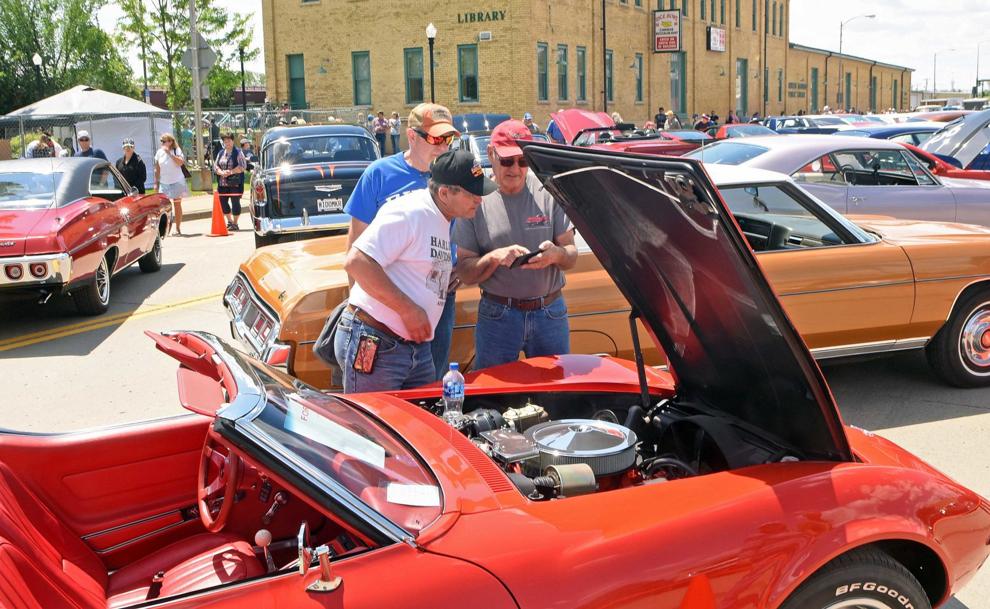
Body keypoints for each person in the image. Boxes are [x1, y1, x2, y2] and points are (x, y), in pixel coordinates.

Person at [335, 149, 494, 393]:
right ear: (444, 192)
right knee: (375, 427)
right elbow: (356, 262)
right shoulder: (410, 212)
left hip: (412, 348)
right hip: (378, 343)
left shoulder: (441, 216)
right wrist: (409, 310)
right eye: (472, 193)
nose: (479, 200)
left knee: (418, 423)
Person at [343, 102, 460, 380]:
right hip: (379, 317)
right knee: (373, 397)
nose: (443, 147)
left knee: (431, 387)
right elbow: (355, 248)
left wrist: (459, 267)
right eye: (435, 139)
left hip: (437, 305)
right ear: (411, 136)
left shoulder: (453, 179)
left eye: (449, 139)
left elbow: (464, 228)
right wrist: (358, 313)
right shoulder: (379, 174)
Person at [454, 120, 578, 369]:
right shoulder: (473, 199)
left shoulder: (549, 190)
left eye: (522, 161)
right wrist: (495, 257)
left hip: (550, 312)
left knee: (556, 395)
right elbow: (465, 272)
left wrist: (555, 255)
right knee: (492, 398)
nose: (516, 169)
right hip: (498, 315)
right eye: (507, 161)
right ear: (491, 154)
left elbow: (572, 254)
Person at [154, 133, 188, 236]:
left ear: (171, 142)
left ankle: (177, 228)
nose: (163, 143)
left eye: (165, 141)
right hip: (164, 183)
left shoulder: (176, 150)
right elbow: (157, 169)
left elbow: (180, 163)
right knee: (163, 207)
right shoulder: (159, 152)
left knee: (177, 205)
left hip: (177, 181)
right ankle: (164, 229)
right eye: (162, 141)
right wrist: (156, 183)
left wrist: (169, 153)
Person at [213, 133, 247, 231]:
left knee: (235, 203)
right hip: (222, 183)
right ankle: (230, 221)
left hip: (235, 183)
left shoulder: (238, 152)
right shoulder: (220, 153)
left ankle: (235, 223)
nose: (227, 143)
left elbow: (243, 166)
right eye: (225, 141)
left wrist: (231, 172)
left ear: (233, 141)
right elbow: (215, 166)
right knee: (223, 203)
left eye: (229, 141)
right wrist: (221, 172)